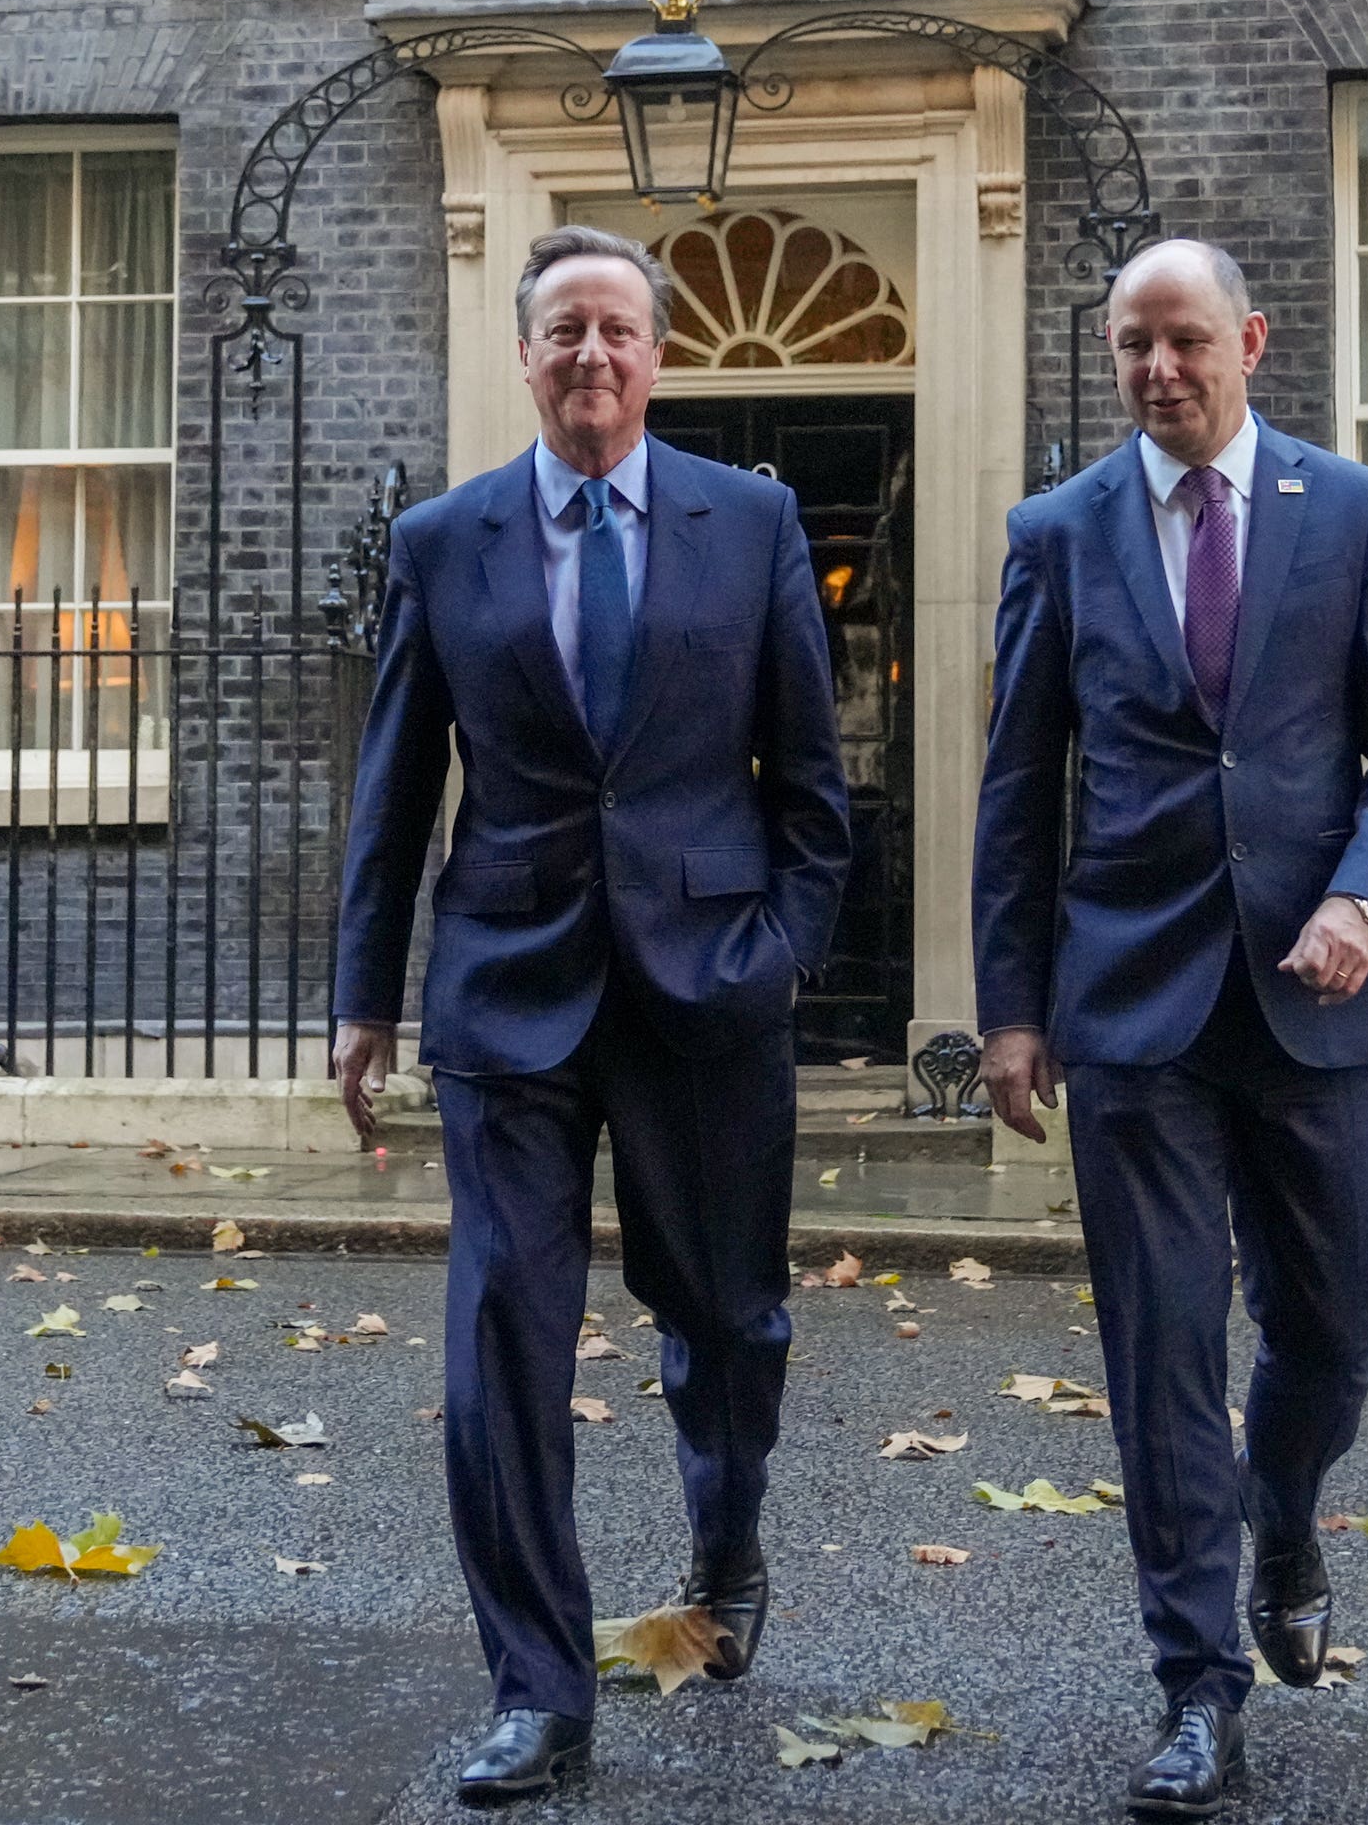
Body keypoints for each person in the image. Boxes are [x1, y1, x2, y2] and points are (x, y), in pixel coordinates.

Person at [331, 224, 851, 1807]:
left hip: (707, 988)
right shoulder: (446, 539)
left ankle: (726, 1535)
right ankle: (540, 1691)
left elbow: (814, 786)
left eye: (618, 331)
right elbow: (397, 779)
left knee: (728, 1323)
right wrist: (363, 995)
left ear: (659, 355)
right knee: (504, 1338)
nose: (592, 358)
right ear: (525, 354)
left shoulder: (750, 522)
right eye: (564, 331)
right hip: (508, 989)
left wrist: (781, 955)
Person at [972, 237, 1368, 1818]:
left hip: (1318, 995)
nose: (1160, 371)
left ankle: (1287, 1512)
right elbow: (1017, 790)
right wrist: (1014, 1010)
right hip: (1136, 1012)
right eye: (1132, 347)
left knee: (1340, 1327)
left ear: (1249, 340)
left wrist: (1363, 902)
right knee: (1162, 1350)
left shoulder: (1353, 512)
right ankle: (1196, 1689)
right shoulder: (1059, 532)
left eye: (1185, 341)